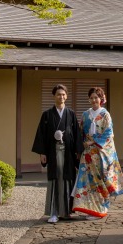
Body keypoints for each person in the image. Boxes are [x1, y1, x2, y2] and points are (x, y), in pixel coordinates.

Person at [71, 87, 123, 219]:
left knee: (100, 180)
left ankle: (101, 208)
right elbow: (80, 133)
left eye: (96, 97)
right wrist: (81, 146)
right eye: (91, 98)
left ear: (101, 99)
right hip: (88, 153)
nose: (93, 100)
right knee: (87, 181)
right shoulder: (85, 114)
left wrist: (93, 142)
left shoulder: (105, 114)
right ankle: (90, 208)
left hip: (100, 153)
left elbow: (109, 134)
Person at [31, 84, 83, 223]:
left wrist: (78, 151)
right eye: (58, 94)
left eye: (63, 94)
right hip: (53, 152)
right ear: (54, 96)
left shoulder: (71, 114)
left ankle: (66, 212)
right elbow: (41, 134)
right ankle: (53, 212)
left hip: (68, 152)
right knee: (55, 180)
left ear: (66, 96)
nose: (61, 96)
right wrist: (42, 152)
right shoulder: (47, 115)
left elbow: (77, 133)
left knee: (67, 180)